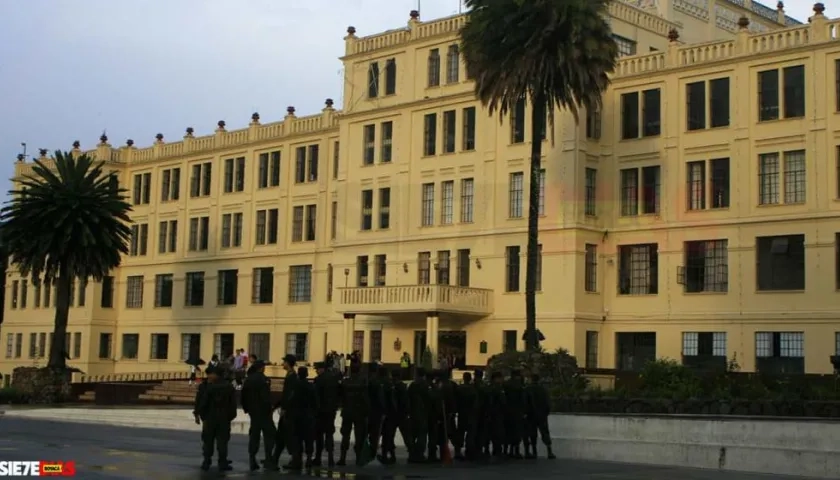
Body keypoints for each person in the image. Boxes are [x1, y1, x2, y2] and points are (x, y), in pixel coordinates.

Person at [195, 365, 237, 471]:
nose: (208, 376)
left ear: (216, 374)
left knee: (208, 441)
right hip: (223, 418)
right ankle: (222, 462)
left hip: (210, 418)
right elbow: (233, 405)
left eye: (210, 374)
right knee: (222, 441)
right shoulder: (229, 386)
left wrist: (201, 415)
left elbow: (202, 403)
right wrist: (230, 417)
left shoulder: (208, 387)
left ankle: (207, 461)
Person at [241, 360, 277, 471]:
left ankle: (252, 459)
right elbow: (265, 397)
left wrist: (247, 409)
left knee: (254, 436)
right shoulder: (263, 379)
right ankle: (268, 458)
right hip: (263, 412)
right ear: (261, 368)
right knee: (270, 435)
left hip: (253, 412)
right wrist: (269, 409)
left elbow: (243, 396)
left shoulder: (248, 379)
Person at [272, 354, 303, 471]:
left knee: (289, 436)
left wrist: (284, 408)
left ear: (288, 363)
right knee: (282, 436)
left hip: (289, 413)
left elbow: (289, 395)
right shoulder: (290, 376)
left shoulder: (292, 377)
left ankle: (295, 460)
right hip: (287, 411)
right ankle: (275, 458)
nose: (282, 364)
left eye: (284, 362)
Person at [337, 363, 370, 466]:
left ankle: (342, 458)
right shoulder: (363, 382)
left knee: (345, 436)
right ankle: (359, 458)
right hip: (359, 412)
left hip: (347, 412)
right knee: (359, 436)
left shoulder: (345, 382)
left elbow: (340, 396)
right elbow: (366, 398)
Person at [313, 361, 340, 467]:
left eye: (317, 369)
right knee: (329, 434)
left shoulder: (319, 380)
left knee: (319, 435)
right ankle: (330, 458)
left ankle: (318, 458)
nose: (316, 371)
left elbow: (316, 396)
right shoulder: (333, 379)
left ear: (321, 369)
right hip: (331, 411)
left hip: (320, 412)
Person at [524, 373, 555, 460]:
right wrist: (546, 411)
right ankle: (549, 451)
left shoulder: (527, 389)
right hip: (542, 415)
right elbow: (548, 402)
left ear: (531, 379)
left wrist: (525, 413)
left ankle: (534, 452)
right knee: (545, 432)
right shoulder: (543, 389)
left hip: (531, 415)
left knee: (532, 434)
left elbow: (525, 402)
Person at [407, 367, 430, 463]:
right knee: (422, 434)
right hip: (422, 413)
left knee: (413, 434)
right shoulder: (425, 385)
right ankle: (419, 454)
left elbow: (407, 399)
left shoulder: (412, 385)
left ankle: (412, 453)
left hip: (413, 413)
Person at [297, 366, 318, 468]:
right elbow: (315, 402)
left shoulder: (296, 386)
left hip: (299, 415)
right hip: (309, 415)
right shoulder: (311, 387)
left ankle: (298, 459)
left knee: (298, 438)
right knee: (309, 438)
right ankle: (309, 458)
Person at [504, 369, 526, 458]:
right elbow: (523, 400)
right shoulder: (519, 386)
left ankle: (506, 450)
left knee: (507, 431)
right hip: (517, 412)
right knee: (517, 432)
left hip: (507, 411)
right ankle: (516, 451)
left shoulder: (506, 384)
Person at [455, 371, 477, 460]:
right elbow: (476, 403)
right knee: (470, 434)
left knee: (460, 432)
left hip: (462, 413)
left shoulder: (459, 389)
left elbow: (456, 401)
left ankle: (458, 450)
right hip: (471, 414)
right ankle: (469, 451)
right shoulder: (473, 389)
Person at [367, 363, 386, 459]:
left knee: (365, 434)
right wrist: (383, 411)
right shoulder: (377, 382)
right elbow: (380, 398)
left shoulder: (365, 380)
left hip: (366, 411)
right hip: (376, 412)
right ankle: (372, 453)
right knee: (375, 435)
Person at [487, 371, 507, 459]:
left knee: (489, 433)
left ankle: (487, 450)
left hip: (489, 414)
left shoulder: (488, 387)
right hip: (497, 414)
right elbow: (503, 402)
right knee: (498, 433)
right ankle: (497, 450)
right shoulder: (498, 388)